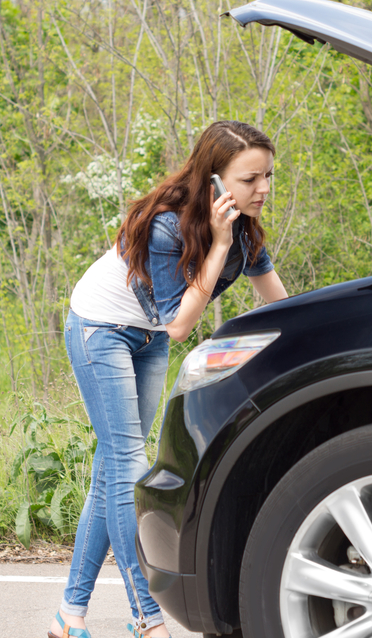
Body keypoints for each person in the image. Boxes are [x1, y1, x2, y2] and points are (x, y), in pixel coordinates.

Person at [48, 120, 288, 638]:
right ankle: (145, 617)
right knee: (129, 466)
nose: (263, 189)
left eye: (268, 176)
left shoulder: (245, 230)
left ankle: (69, 616)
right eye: (249, 180)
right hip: (101, 329)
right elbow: (181, 325)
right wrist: (219, 246)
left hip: (148, 334)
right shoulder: (168, 226)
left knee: (110, 473)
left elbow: (282, 307)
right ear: (215, 183)